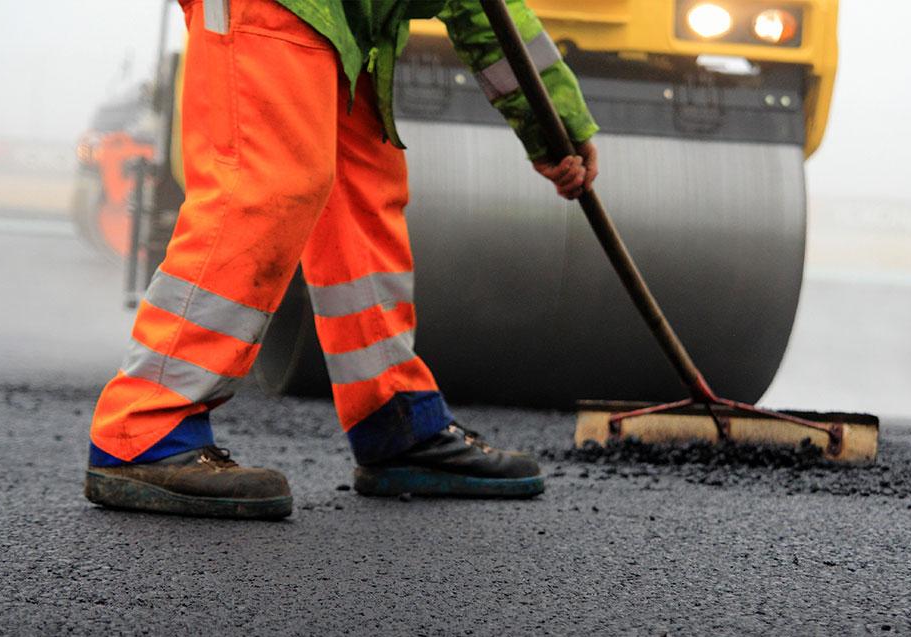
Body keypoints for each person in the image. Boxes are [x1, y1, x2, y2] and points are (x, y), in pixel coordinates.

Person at [84, 0, 599, 519]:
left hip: (352, 20)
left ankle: (392, 416)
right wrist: (549, 124)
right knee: (266, 187)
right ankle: (146, 423)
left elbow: (487, 10)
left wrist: (551, 121)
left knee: (363, 198)